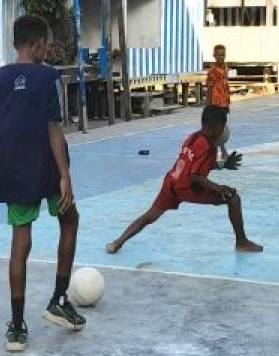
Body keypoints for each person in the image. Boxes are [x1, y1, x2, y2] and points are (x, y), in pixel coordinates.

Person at [0, 14, 85, 352]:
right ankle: (59, 299)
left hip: (12, 169)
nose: (47, 50)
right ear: (37, 46)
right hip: (48, 167)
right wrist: (64, 175)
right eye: (46, 45)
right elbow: (53, 127)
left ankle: (17, 326)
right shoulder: (49, 77)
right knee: (70, 220)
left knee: (21, 241)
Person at [106, 105, 261, 254]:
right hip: (188, 188)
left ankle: (117, 243)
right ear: (216, 127)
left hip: (171, 182)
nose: (224, 131)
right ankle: (241, 242)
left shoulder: (192, 137)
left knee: (150, 215)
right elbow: (195, 176)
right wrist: (218, 188)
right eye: (223, 126)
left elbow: (195, 165)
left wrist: (223, 165)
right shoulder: (209, 147)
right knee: (233, 198)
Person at [206, 44, 231, 160]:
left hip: (224, 102)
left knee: (222, 126)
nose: (220, 57)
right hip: (216, 102)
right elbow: (210, 87)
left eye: (222, 54)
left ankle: (221, 150)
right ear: (214, 56)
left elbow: (226, 86)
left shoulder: (226, 67)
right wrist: (209, 104)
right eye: (218, 55)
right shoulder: (212, 70)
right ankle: (222, 151)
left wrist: (228, 102)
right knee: (217, 127)